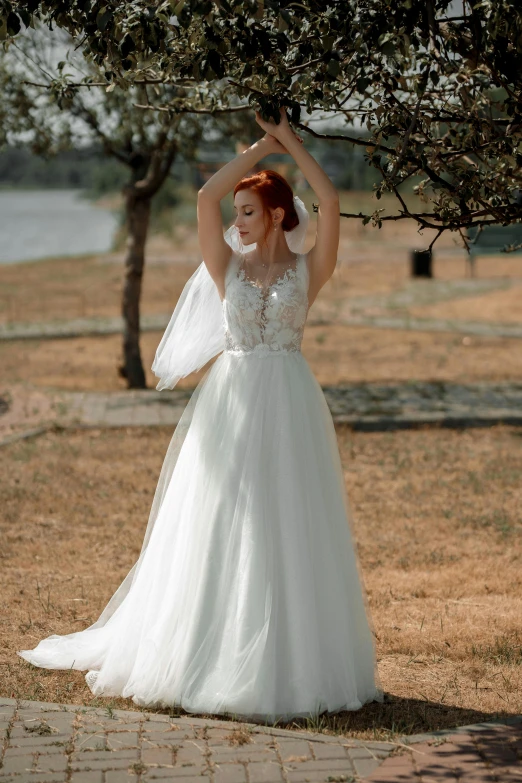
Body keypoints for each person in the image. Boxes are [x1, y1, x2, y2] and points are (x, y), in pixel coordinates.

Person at [18, 108, 384, 724]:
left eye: (248, 211)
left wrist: (289, 144)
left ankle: (289, 661)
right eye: (236, 213)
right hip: (232, 400)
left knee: (287, 522)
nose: (235, 220)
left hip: (290, 397)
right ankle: (206, 648)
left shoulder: (308, 268)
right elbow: (206, 193)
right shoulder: (227, 269)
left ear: (275, 213)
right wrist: (258, 148)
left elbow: (327, 195)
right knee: (222, 521)